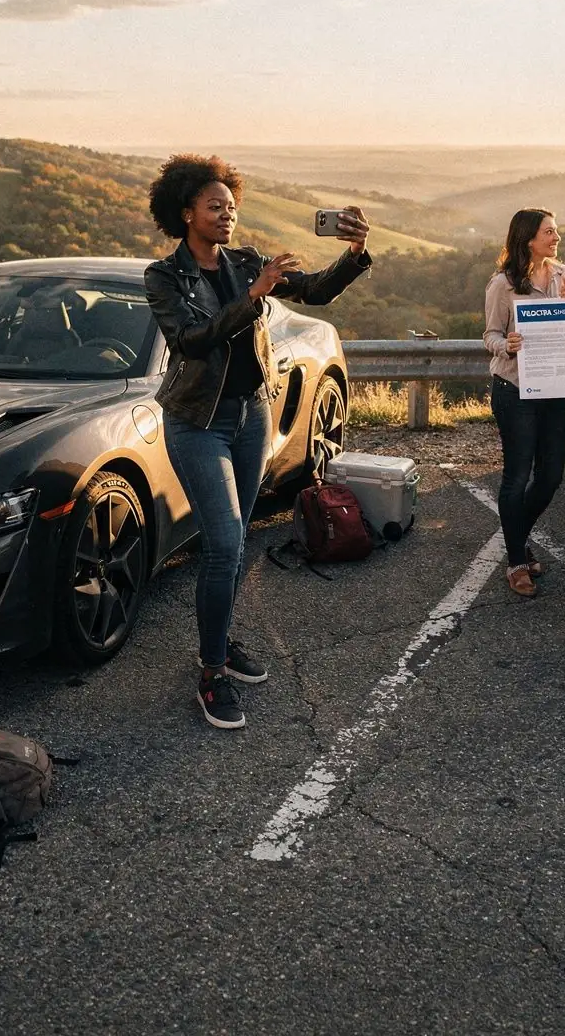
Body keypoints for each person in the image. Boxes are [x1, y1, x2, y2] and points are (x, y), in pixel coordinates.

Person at [144, 155, 371, 730]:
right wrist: (253, 297)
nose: (228, 214)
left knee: (238, 537)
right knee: (221, 542)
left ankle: (218, 640)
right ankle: (211, 673)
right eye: (215, 206)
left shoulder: (247, 261)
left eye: (231, 205)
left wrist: (353, 255)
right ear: (186, 212)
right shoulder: (165, 277)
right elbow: (191, 341)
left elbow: (316, 292)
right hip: (198, 421)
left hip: (252, 416)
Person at [484, 209, 565, 598]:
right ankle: (516, 562)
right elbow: (489, 335)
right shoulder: (502, 284)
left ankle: (516, 537)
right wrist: (505, 344)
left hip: (554, 389)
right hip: (514, 389)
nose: (556, 236)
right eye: (549, 231)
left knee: (552, 477)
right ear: (527, 238)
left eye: (556, 230)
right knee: (517, 475)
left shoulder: (563, 274)